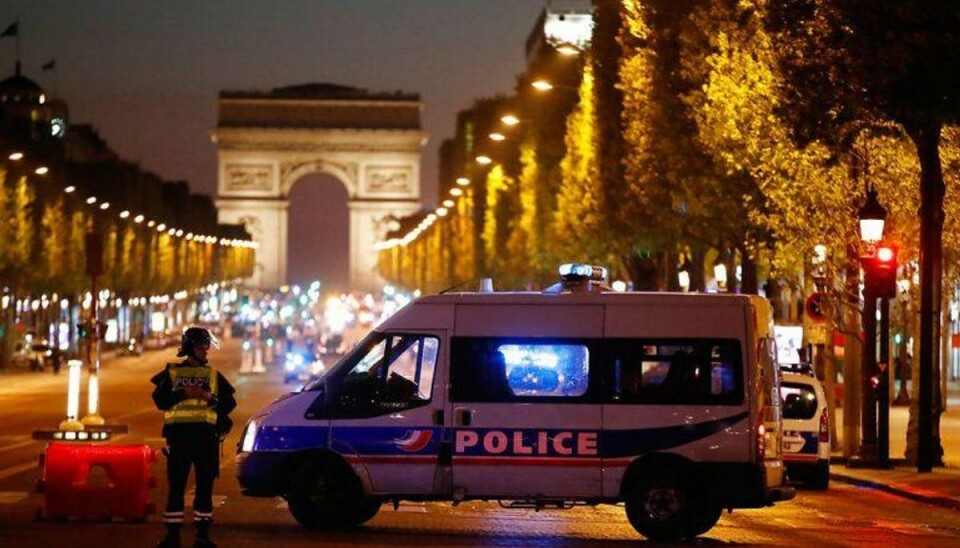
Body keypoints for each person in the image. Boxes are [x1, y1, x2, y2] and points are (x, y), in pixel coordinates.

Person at [151, 327, 236, 548]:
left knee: (204, 488)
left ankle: (202, 535)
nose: (206, 352)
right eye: (201, 347)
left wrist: (209, 398)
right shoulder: (173, 373)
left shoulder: (212, 375)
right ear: (191, 348)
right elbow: (161, 401)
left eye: (206, 347)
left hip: (205, 439)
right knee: (176, 488)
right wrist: (184, 394)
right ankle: (172, 536)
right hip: (180, 440)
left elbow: (229, 404)